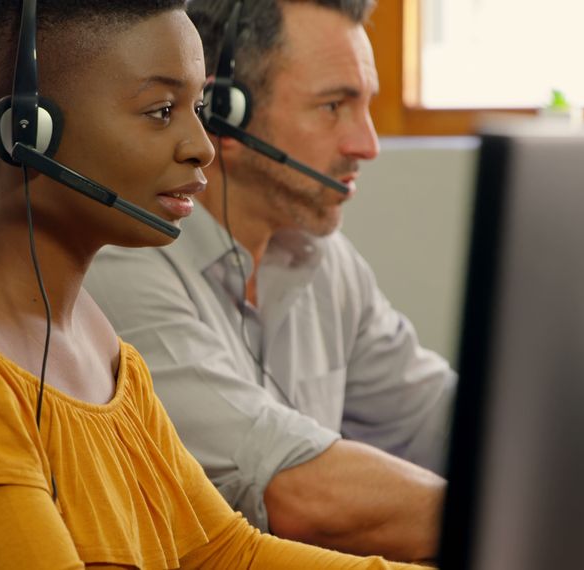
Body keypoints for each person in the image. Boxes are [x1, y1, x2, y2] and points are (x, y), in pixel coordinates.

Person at [0, 1, 430, 568]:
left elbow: (221, 552)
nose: (200, 148)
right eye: (161, 111)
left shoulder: (104, 349)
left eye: (196, 110)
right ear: (31, 131)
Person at [84, 0, 455, 562]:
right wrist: (530, 525)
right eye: (334, 106)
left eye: (366, 106)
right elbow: (298, 495)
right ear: (222, 115)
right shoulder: (121, 264)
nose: (368, 145)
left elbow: (439, 419)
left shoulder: (323, 259)